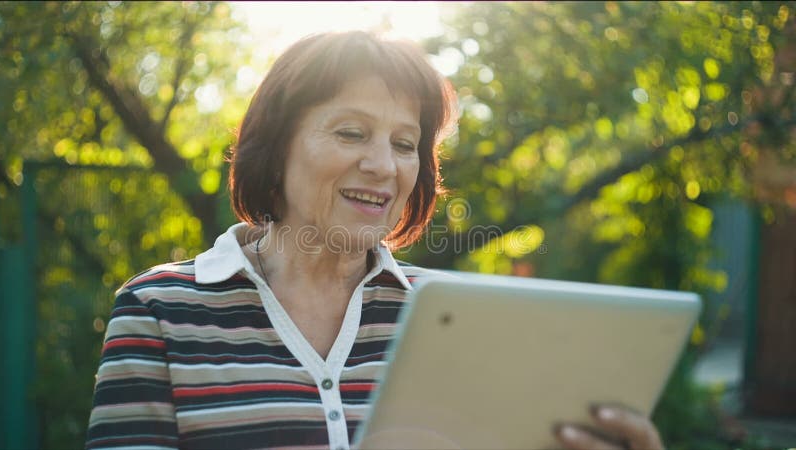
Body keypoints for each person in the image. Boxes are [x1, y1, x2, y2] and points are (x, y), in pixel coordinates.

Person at [86, 31, 664, 450]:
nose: (383, 166)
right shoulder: (157, 311)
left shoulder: (456, 317)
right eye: (352, 133)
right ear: (276, 146)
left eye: (405, 143)